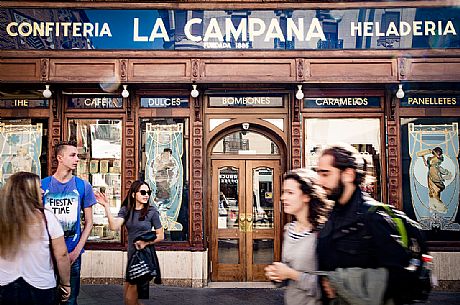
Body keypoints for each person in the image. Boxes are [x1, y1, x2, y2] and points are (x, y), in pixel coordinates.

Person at [316, 144, 412, 305]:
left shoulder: (374, 217)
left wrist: (340, 284)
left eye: (325, 174)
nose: (319, 181)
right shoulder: (331, 215)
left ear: (348, 174)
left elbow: (398, 279)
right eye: (318, 173)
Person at [0, 171, 71, 305]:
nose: (43, 191)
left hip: (4, 285)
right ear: (28, 191)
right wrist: (65, 283)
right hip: (40, 286)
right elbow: (62, 254)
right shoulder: (47, 218)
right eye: (39, 187)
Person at [42, 141, 97, 305]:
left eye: (78, 155)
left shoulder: (83, 186)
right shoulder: (43, 185)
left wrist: (77, 251)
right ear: (60, 158)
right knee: (47, 298)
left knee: (70, 300)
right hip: (47, 255)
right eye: (72, 155)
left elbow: (89, 222)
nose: (77, 159)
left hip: (73, 254)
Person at [265, 168, 330, 305]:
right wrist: (277, 275)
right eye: (284, 192)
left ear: (306, 196)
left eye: (290, 192)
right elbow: (287, 275)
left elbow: (328, 288)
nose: (283, 197)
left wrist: (291, 273)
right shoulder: (289, 230)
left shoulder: (322, 233)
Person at [95, 180, 164, 305]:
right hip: (131, 256)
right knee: (130, 300)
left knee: (129, 298)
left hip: (144, 257)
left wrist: (145, 243)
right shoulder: (126, 210)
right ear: (133, 194)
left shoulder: (152, 212)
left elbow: (161, 236)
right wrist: (106, 206)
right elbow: (114, 226)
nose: (146, 195)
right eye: (143, 192)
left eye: (148, 192)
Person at [420, 147, 451, 213]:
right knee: (431, 191)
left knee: (437, 190)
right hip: (430, 174)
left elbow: (439, 158)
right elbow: (426, 164)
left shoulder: (440, 158)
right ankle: (432, 206)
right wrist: (423, 157)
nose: (438, 153)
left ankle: (440, 207)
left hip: (436, 173)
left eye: (438, 152)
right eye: (437, 152)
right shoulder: (429, 158)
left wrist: (433, 152)